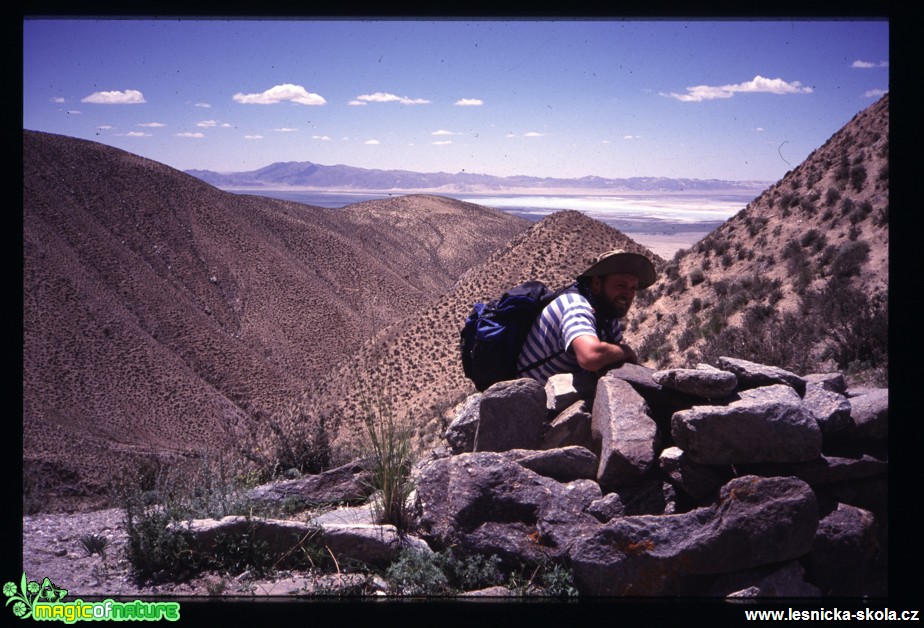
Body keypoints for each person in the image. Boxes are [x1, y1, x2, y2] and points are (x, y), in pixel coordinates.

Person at [517, 249, 657, 383]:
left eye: (633, 288)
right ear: (597, 283)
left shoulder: (606, 307)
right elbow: (591, 357)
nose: (628, 294)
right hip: (534, 398)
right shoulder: (575, 305)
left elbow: (614, 345)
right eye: (621, 285)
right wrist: (625, 351)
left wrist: (621, 352)